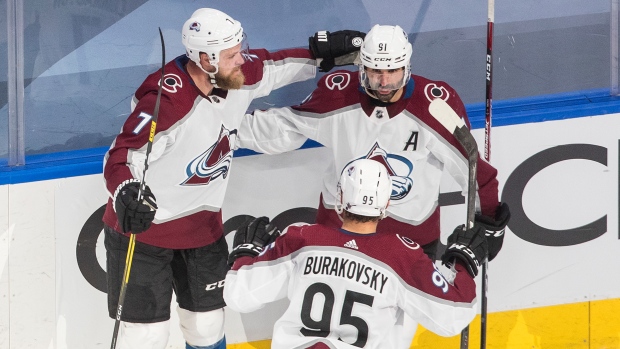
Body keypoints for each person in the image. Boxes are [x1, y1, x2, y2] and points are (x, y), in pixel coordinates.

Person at [102, 7, 365, 349]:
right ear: (204, 59)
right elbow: (120, 156)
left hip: (202, 230)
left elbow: (274, 66)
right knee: (144, 338)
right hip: (145, 236)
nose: (241, 59)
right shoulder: (166, 102)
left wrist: (319, 55)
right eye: (230, 55)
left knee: (206, 327)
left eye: (239, 48)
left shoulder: (235, 74)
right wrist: (125, 191)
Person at [237, 23, 510, 347]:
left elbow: (476, 172)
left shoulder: (435, 106)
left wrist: (490, 221)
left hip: (409, 240)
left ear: (407, 66)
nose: (383, 81)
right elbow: (281, 129)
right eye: (375, 70)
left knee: (390, 334)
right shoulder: (337, 94)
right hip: (338, 231)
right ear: (361, 65)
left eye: (392, 71)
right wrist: (222, 128)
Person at [224, 159, 489, 349]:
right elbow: (454, 317)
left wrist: (245, 254)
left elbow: (238, 296)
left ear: (339, 197)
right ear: (386, 203)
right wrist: (462, 263)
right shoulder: (399, 254)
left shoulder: (302, 238)